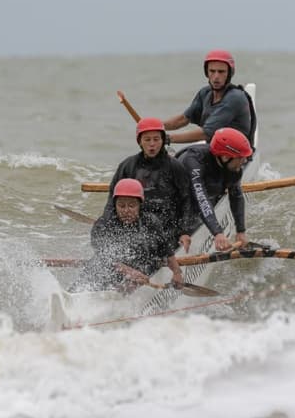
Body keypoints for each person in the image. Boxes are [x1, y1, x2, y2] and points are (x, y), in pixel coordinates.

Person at [72, 178, 184, 292]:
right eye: (121, 206)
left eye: (131, 206)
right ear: (115, 205)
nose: (126, 210)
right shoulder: (103, 224)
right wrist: (130, 272)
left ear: (140, 205)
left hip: (140, 270)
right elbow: (104, 257)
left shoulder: (151, 222)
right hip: (109, 273)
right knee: (97, 267)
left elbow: (166, 251)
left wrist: (177, 272)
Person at [103, 117, 197, 253]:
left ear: (163, 140)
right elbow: (113, 199)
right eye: (147, 140)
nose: (152, 144)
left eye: (156, 139)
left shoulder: (175, 167)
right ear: (139, 142)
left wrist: (185, 232)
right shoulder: (128, 166)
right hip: (137, 225)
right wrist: (108, 225)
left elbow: (187, 200)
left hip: (169, 228)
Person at [177, 127, 253, 252]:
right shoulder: (193, 162)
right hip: (177, 202)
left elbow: (236, 195)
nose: (244, 161)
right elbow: (200, 198)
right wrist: (217, 232)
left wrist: (240, 231)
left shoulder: (235, 168)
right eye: (241, 158)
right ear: (225, 157)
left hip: (201, 198)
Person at [162, 49, 257, 148]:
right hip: (216, 149)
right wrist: (155, 127)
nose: (216, 76)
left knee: (190, 154)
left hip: (236, 152)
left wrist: (167, 139)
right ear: (206, 73)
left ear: (229, 73)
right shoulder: (205, 93)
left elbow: (205, 133)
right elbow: (183, 120)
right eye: (212, 71)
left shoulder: (235, 98)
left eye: (221, 72)